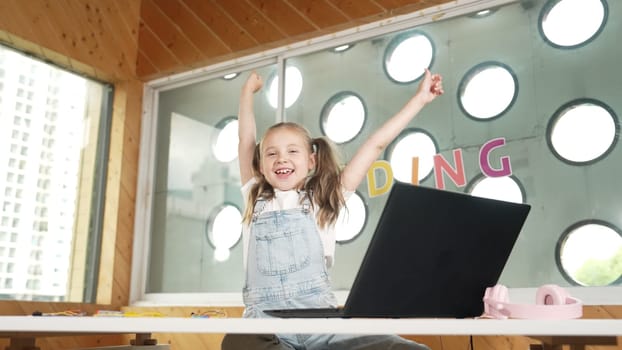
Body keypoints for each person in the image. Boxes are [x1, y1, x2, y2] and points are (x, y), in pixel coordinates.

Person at [221, 68, 444, 350]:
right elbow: (245, 140)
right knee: (237, 341)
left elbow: (376, 145)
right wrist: (246, 94)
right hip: (267, 329)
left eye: (292, 151)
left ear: (311, 161)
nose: (281, 158)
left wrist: (420, 100)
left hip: (323, 329)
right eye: (271, 152)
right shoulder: (254, 195)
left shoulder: (324, 200)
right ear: (261, 165)